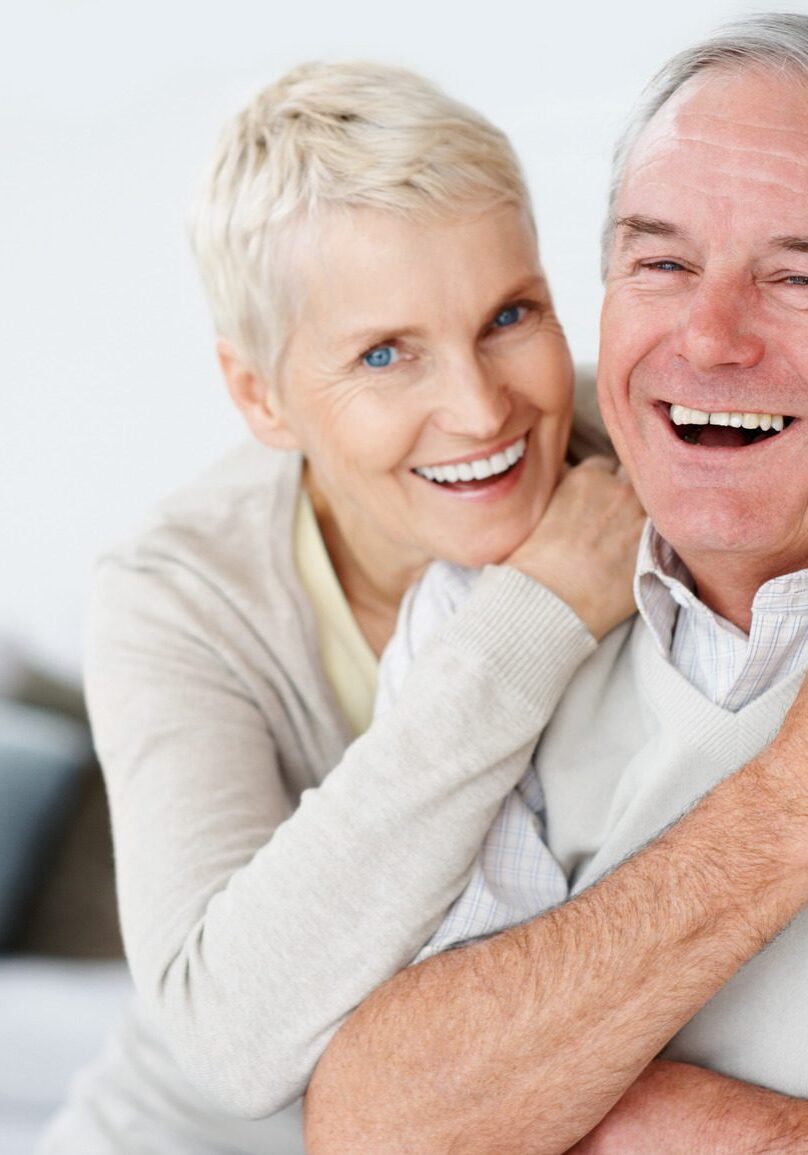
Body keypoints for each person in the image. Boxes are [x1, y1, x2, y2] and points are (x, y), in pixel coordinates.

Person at [35, 62, 643, 1154]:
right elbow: (233, 1039)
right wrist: (537, 613)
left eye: (509, 314)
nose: (478, 407)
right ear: (259, 395)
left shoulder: (647, 460)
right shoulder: (176, 594)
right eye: (383, 353)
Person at [304, 13, 808, 1155]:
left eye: (798, 274)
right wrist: (782, 811)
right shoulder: (494, 616)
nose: (710, 337)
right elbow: (382, 1127)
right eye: (661, 263)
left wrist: (558, 1100)